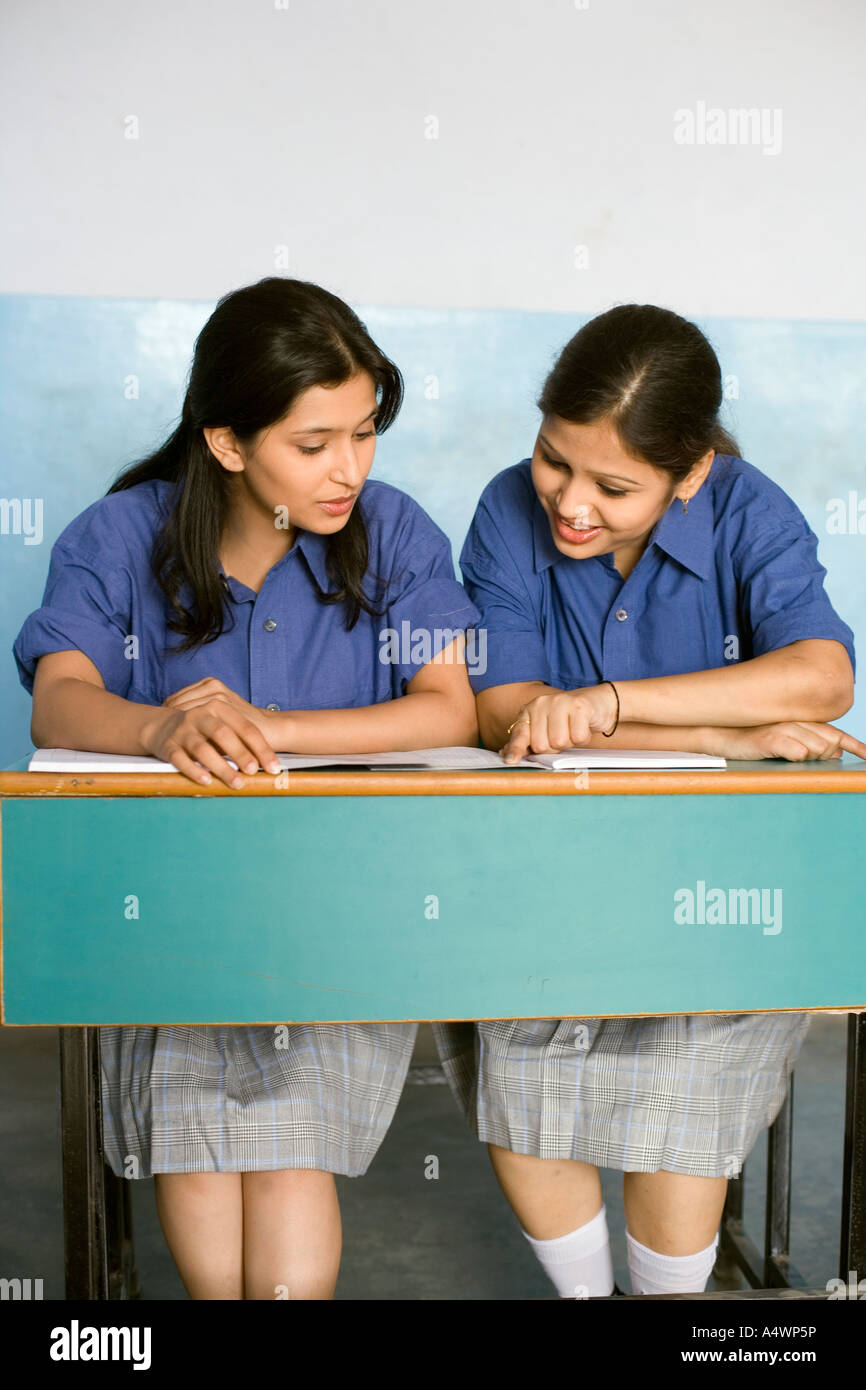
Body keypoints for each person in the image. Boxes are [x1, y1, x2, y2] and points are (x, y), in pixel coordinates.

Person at [13, 276, 480, 1299]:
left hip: (339, 905)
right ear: (227, 443)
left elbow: (448, 707)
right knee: (197, 1142)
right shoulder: (116, 535)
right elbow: (59, 703)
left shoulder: (395, 535)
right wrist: (163, 723)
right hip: (165, 907)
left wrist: (273, 729)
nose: (347, 469)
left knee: (284, 1144)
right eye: (312, 445)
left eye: (363, 434)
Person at [433, 302, 864, 1298]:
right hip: (544, 872)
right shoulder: (504, 511)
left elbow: (820, 676)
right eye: (553, 459)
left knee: (690, 1067)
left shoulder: (750, 510)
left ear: (689, 474)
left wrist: (610, 703)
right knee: (517, 1047)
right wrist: (716, 733)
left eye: (613, 486)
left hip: (722, 880)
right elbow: (507, 716)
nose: (568, 502)